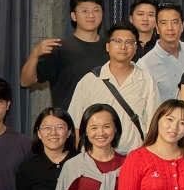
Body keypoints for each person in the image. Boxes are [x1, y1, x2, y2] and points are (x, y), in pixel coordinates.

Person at [68, 24, 161, 155]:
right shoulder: (90, 80)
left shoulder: (146, 80)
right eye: (117, 41)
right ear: (107, 46)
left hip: (133, 157)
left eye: (129, 42)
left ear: (136, 48)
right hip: (95, 158)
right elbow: (76, 125)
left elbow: (154, 124)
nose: (123, 47)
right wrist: (79, 159)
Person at [21, 0, 107, 109]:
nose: (91, 15)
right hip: (68, 118)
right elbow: (25, 81)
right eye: (84, 11)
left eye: (96, 10)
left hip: (105, 118)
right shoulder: (59, 49)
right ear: (74, 16)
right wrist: (35, 54)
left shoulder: (112, 47)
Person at [141, 3, 184, 103]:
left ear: (182, 26)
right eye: (164, 23)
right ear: (157, 28)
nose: (170, 28)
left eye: (175, 22)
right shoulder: (145, 64)